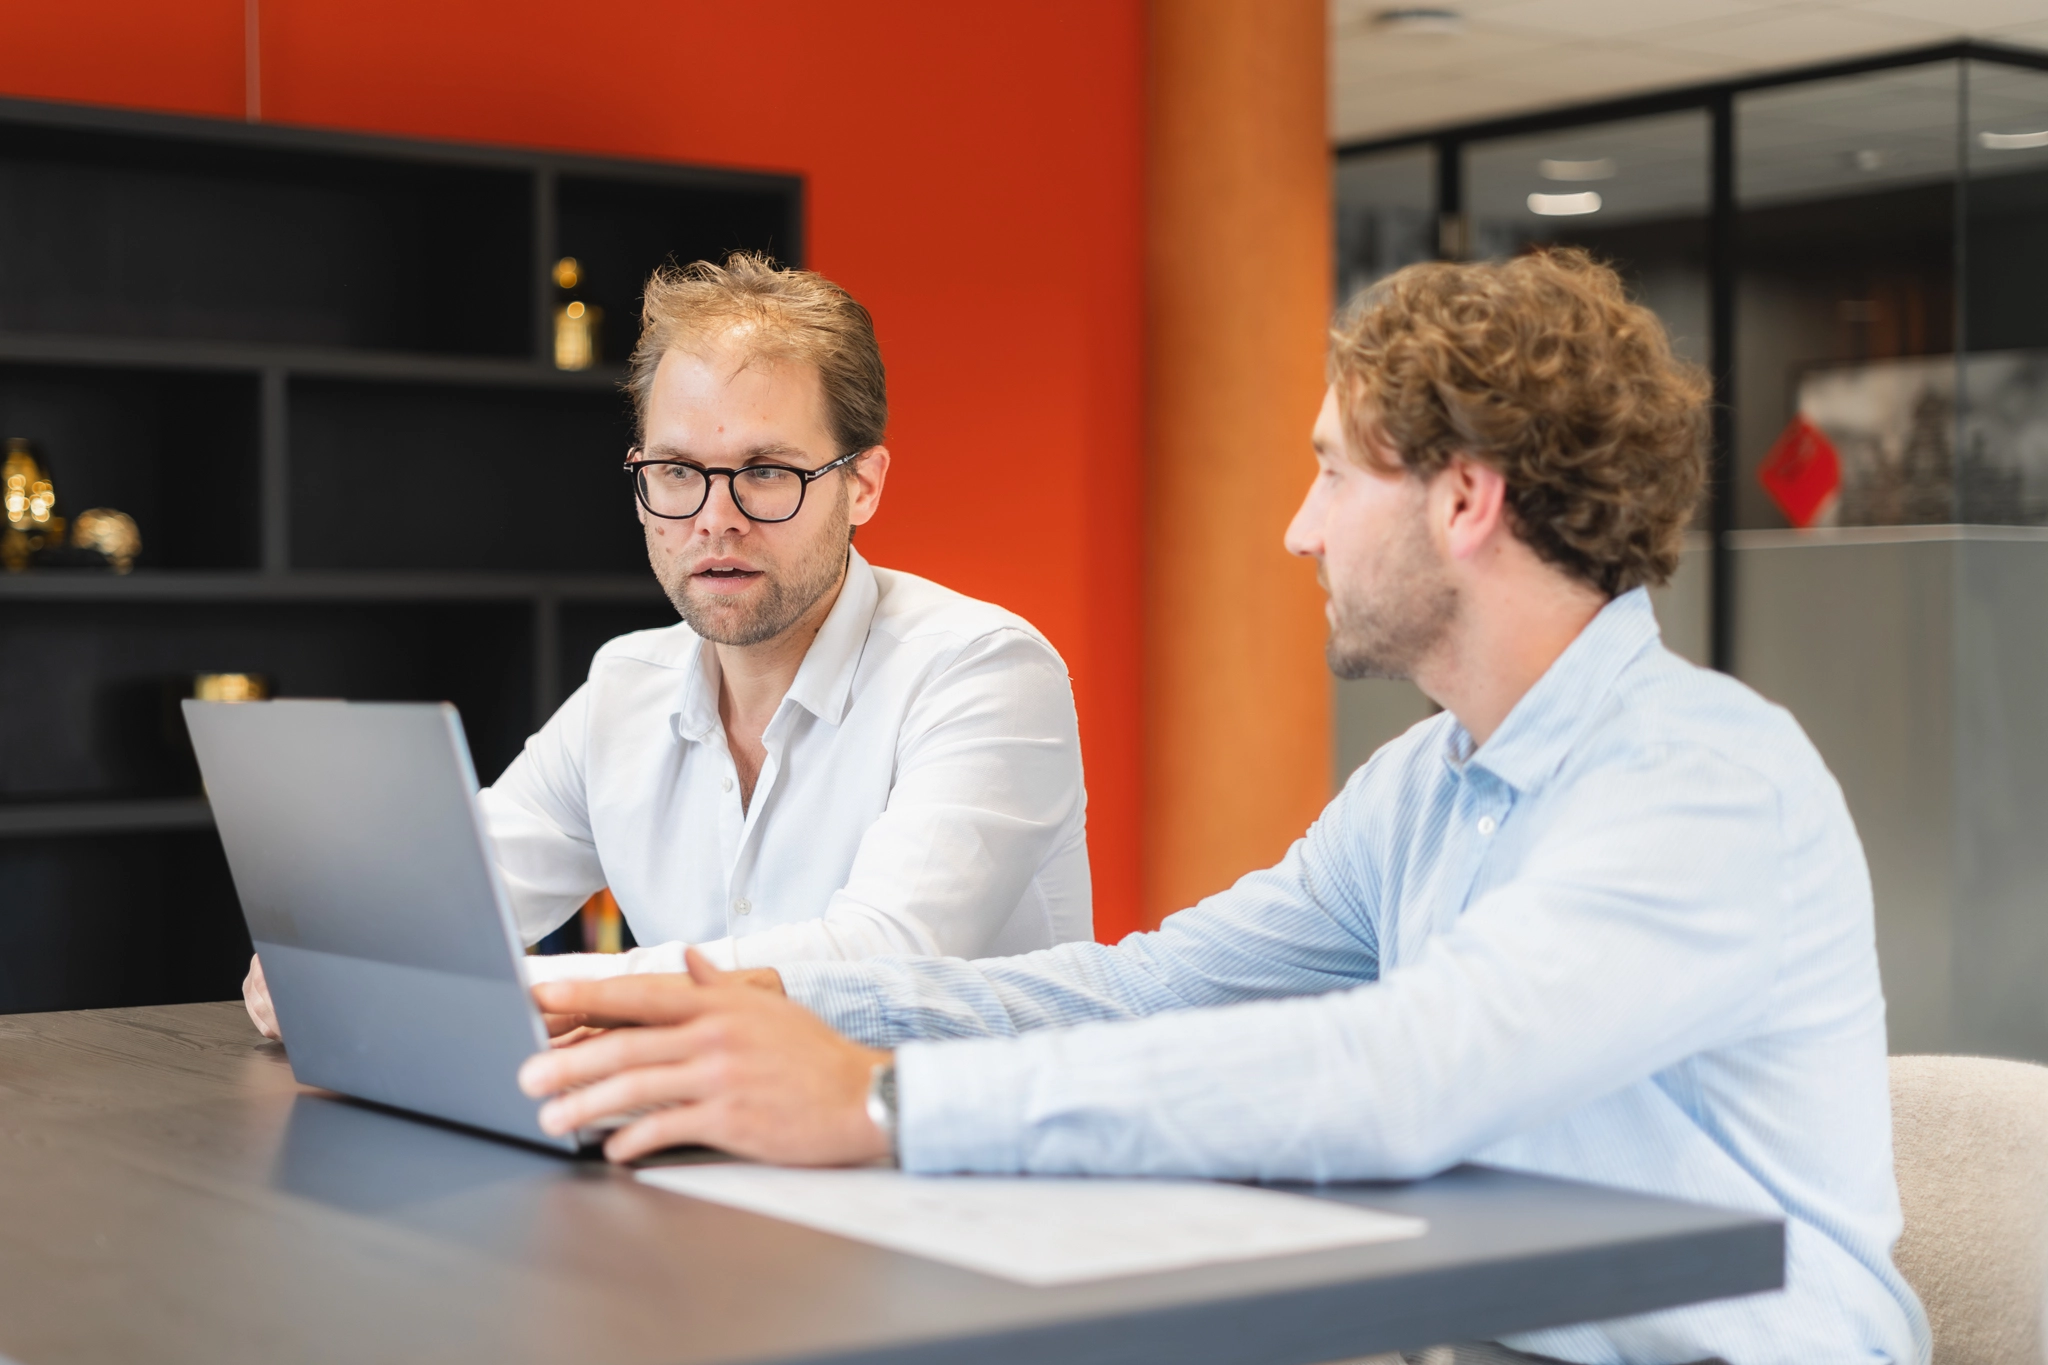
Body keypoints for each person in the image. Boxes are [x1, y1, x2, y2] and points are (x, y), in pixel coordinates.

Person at [517, 250, 1929, 1364]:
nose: (1298, 528)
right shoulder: (1422, 792)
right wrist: (761, 1013)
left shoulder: (1707, 786)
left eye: (1330, 471)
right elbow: (1146, 990)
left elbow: (1402, 1075)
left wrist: (882, 1101)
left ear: (1465, 503)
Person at [241, 253, 1093, 1039]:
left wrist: (530, 990)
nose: (714, 517)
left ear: (862, 485)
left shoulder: (983, 671)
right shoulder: (626, 686)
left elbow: (881, 960)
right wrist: (326, 953)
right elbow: (443, 897)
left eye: (767, 471)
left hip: (958, 1177)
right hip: (708, 1157)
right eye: (678, 472)